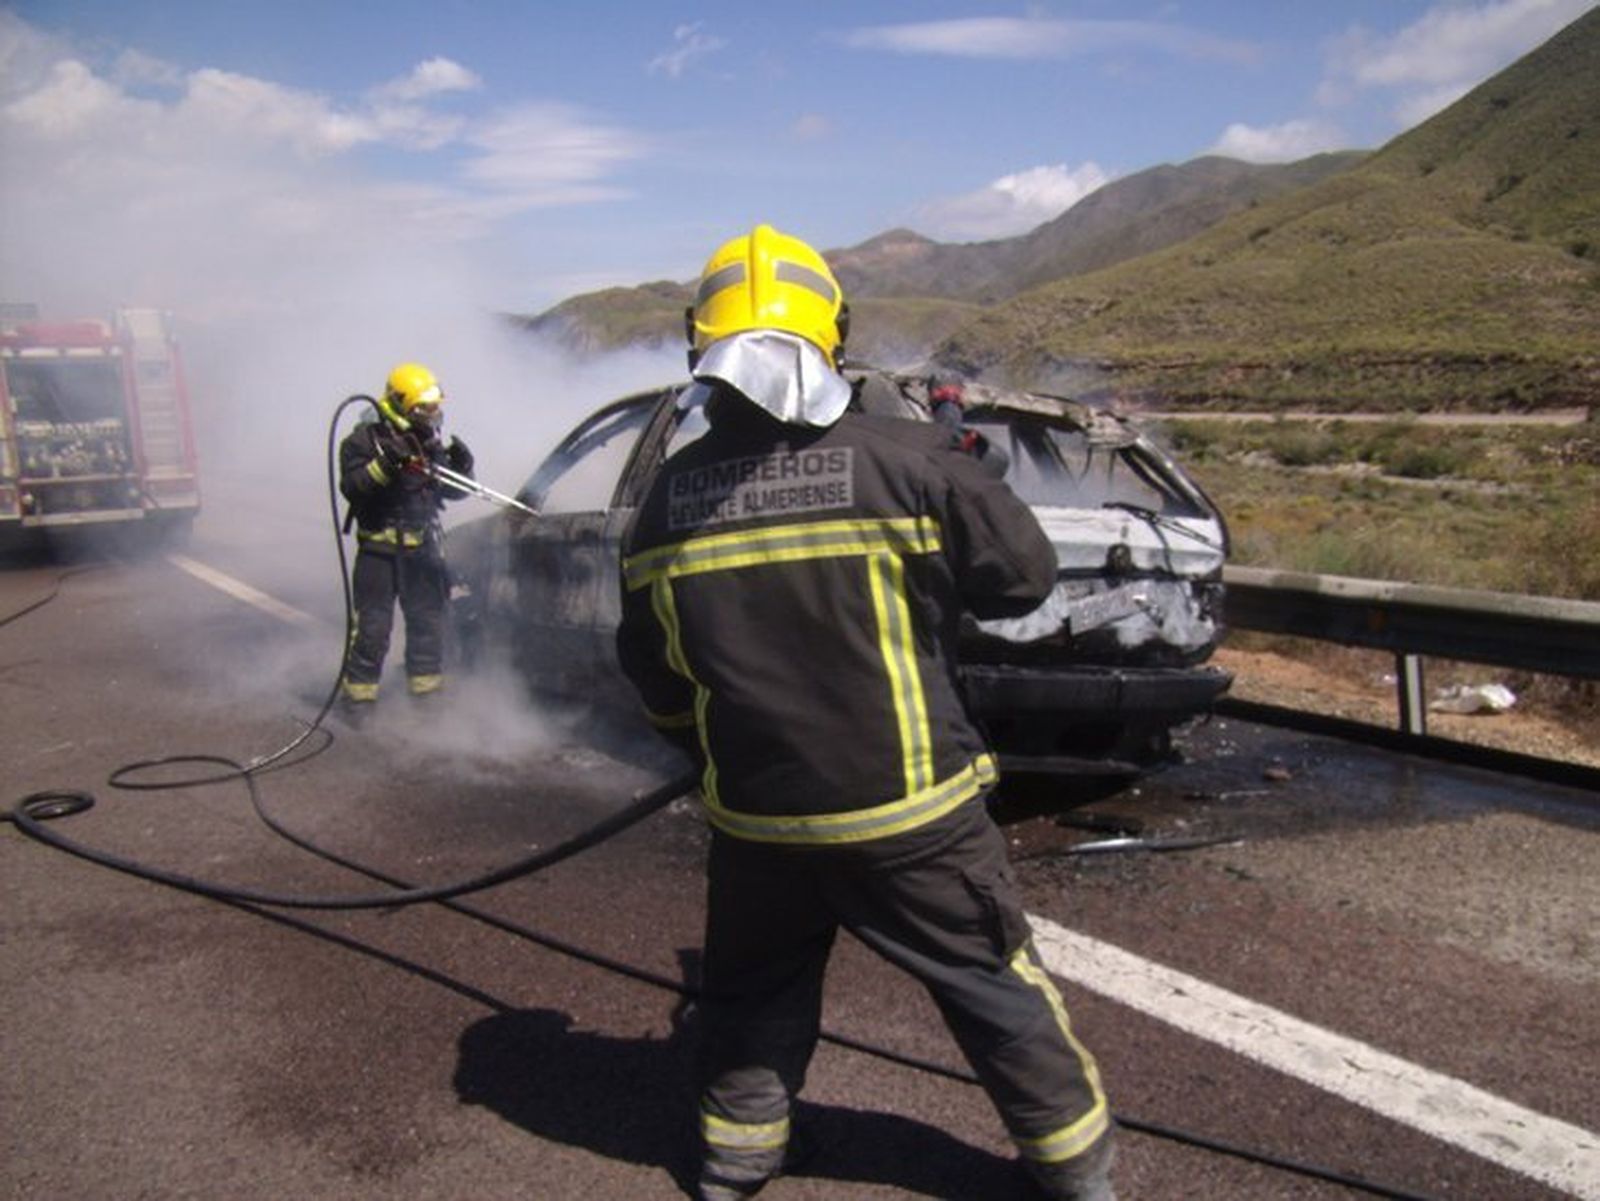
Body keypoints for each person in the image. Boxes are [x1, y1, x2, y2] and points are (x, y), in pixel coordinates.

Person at [616, 225, 1115, 1201]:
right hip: (911, 814)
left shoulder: (665, 500)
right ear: (833, 335)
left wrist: (718, 754)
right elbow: (1022, 581)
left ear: (698, 344)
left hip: (757, 817)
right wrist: (965, 476)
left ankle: (732, 1164)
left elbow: (655, 676)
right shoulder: (911, 461)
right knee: (990, 984)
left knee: (751, 992)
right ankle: (1076, 1175)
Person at [337, 362, 475, 712]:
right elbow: (354, 487)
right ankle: (359, 700)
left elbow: (451, 492)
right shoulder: (362, 441)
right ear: (400, 404)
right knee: (372, 630)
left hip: (422, 551)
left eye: (435, 407)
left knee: (428, 624)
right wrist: (387, 464)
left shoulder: (428, 442)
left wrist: (464, 468)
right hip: (379, 553)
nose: (433, 414)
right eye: (425, 408)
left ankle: (426, 696)